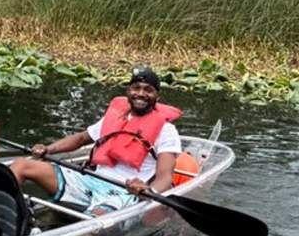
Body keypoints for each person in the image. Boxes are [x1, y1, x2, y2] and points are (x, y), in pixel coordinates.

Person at [11, 66, 187, 215]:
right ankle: (2, 221)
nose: (140, 94)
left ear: (157, 96)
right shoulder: (116, 117)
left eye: (148, 90)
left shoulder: (166, 131)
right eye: (136, 88)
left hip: (121, 192)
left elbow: (165, 176)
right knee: (21, 165)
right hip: (89, 180)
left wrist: (149, 192)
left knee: (96, 219)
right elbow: (81, 138)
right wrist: (48, 150)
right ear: (128, 91)